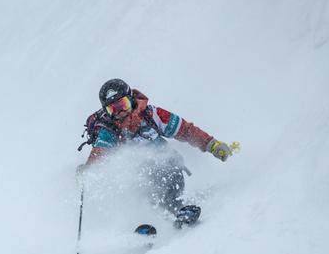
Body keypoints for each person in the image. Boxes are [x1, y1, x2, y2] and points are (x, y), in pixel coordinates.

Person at [78, 78, 231, 226]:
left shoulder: (152, 115)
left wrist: (212, 145)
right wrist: (88, 170)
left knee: (169, 174)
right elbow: (100, 153)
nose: (120, 113)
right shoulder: (109, 130)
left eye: (122, 105)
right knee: (136, 189)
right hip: (140, 179)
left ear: (131, 99)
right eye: (114, 109)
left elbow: (186, 130)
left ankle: (178, 210)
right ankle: (147, 225)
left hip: (168, 167)